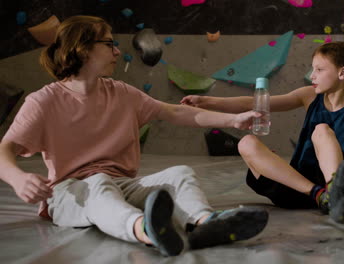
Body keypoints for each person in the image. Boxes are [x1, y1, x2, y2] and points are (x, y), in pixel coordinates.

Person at [0, 15, 269, 257]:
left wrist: (234, 119)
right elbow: (5, 149)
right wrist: (18, 178)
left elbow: (175, 112)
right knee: (99, 185)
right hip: (70, 193)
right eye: (109, 44)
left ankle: (205, 224)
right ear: (82, 49)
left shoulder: (121, 93)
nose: (117, 51)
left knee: (180, 174)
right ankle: (146, 230)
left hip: (122, 185)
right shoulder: (44, 101)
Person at [181, 41, 344, 223]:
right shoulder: (308, 96)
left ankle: (334, 193)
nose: (312, 75)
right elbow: (254, 103)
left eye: (319, 69)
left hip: (334, 195)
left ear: (342, 73)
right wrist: (207, 100)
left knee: (322, 130)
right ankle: (321, 195)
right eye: (312, 69)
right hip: (295, 188)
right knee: (246, 143)